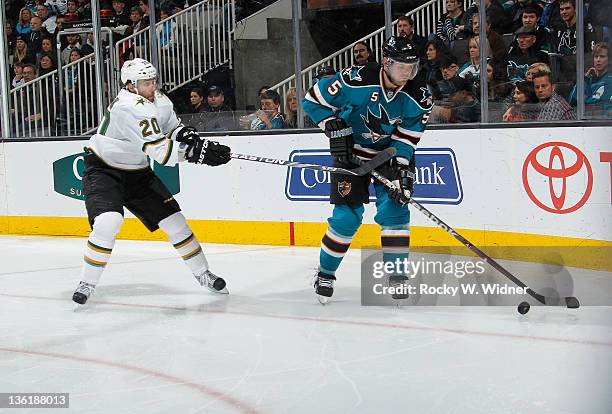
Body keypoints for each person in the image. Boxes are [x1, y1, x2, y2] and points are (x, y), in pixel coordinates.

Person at [71, 58, 232, 306]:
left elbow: (171, 128)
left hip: (137, 172)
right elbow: (161, 153)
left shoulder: (158, 100)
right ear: (130, 85)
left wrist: (187, 135)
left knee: (176, 222)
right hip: (103, 169)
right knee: (108, 222)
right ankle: (87, 282)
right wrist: (197, 154)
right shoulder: (128, 106)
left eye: (153, 80)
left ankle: (204, 274)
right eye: (146, 82)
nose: (152, 86)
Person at [302, 36, 432, 303]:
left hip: (389, 156)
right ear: (386, 62)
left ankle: (397, 274)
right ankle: (325, 273)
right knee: (345, 219)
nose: (408, 73)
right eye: (402, 67)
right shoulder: (355, 79)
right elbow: (312, 99)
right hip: (350, 155)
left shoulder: (420, 95)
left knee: (396, 210)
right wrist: (330, 123)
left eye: (412, 67)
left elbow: (407, 139)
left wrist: (403, 170)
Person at [568, 42, 611, 116]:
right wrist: (584, 80)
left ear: (609, 60)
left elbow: (595, 104)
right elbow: (572, 101)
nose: (598, 60)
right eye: (596, 56)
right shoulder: (588, 80)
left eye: (602, 56)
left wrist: (584, 100)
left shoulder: (610, 81)